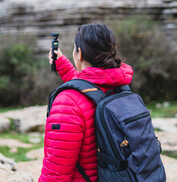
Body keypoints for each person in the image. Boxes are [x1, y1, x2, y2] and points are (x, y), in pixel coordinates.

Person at [39, 23, 133, 182]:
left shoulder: (67, 103)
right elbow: (90, 87)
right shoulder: (120, 86)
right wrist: (62, 63)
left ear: (79, 53)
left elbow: (55, 174)